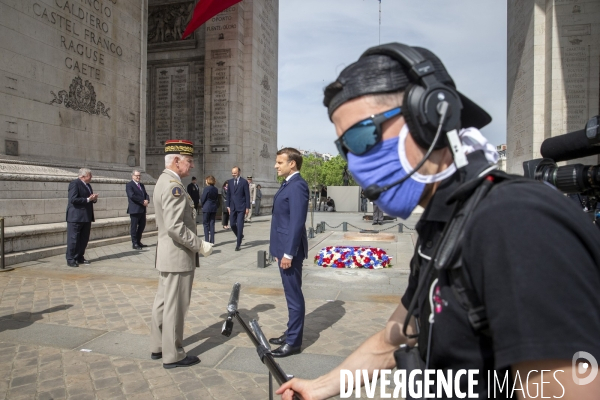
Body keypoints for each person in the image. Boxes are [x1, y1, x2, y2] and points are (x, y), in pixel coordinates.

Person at [278, 43, 600, 399]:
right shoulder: (443, 224)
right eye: (345, 148)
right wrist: (319, 387)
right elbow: (397, 336)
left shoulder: (515, 221)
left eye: (362, 137)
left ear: (431, 115)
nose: (354, 163)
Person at [150, 140, 213, 369]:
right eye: (189, 161)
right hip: (178, 255)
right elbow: (176, 227)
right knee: (175, 307)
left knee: (163, 302)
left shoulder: (164, 181)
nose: (192, 166)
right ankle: (173, 354)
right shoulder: (173, 186)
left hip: (167, 254)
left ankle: (158, 346)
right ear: (176, 161)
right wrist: (199, 245)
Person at [269, 147, 309, 358]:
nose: (276, 165)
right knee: (290, 293)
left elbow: (296, 223)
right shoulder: (288, 184)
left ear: (292, 163)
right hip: (283, 249)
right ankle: (290, 332)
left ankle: (293, 342)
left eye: (280, 162)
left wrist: (288, 254)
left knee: (294, 296)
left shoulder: (297, 186)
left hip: (289, 252)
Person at [65, 168, 98, 267]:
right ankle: (70, 258)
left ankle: (79, 257)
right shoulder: (74, 184)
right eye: (89, 175)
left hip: (86, 216)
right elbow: (73, 199)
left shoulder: (88, 185)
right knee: (73, 238)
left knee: (84, 239)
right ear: (83, 176)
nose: (91, 177)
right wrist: (88, 199)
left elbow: (89, 199)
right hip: (76, 217)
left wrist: (93, 199)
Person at [226, 167, 250, 251]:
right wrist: (227, 206)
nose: (233, 174)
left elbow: (247, 195)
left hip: (241, 207)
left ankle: (238, 244)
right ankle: (240, 235)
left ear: (239, 172)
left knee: (240, 225)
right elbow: (228, 195)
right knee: (232, 224)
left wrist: (247, 207)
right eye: (232, 173)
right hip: (232, 207)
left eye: (235, 173)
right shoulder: (230, 182)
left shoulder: (244, 182)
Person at [126, 170, 150, 250]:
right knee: (134, 227)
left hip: (142, 209)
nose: (138, 177)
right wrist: (142, 201)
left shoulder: (142, 185)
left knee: (142, 226)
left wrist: (147, 200)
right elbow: (132, 196)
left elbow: (146, 194)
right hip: (135, 209)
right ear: (132, 176)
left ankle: (139, 241)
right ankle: (134, 243)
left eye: (139, 175)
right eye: (137, 176)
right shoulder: (129, 185)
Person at [200, 175, 219, 244]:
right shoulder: (216, 189)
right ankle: (212, 241)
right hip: (213, 207)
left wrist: (202, 205)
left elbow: (203, 198)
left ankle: (207, 240)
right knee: (212, 224)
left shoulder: (206, 189)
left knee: (205, 224)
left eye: (206, 180)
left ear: (208, 181)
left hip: (207, 207)